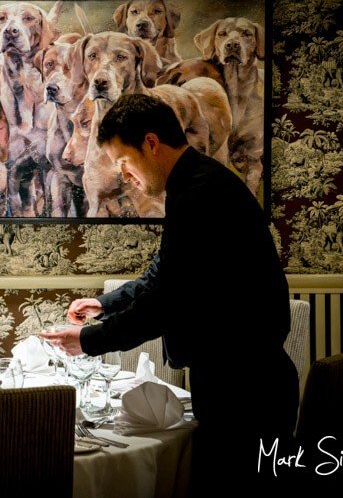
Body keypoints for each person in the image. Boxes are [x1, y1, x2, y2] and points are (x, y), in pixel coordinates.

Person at [39, 94, 299, 497]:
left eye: (123, 162)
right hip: (242, 378)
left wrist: (89, 341)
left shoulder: (200, 194)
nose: (124, 175)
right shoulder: (197, 182)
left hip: (246, 392)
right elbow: (166, 272)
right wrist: (106, 304)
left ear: (151, 144)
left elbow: (168, 302)